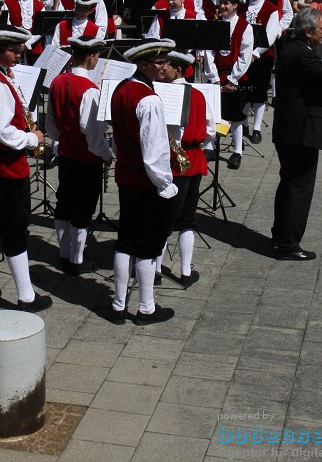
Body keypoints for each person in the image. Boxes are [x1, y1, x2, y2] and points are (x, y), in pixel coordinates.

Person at [0, 24, 52, 311]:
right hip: (4, 168)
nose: (19, 53)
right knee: (15, 229)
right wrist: (32, 137)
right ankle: (26, 295)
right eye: (13, 49)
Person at [101, 38, 179, 325]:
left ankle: (118, 304)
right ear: (143, 65)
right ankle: (146, 308)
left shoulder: (121, 88)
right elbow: (154, 151)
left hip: (126, 176)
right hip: (147, 182)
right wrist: (165, 184)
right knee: (147, 245)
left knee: (126, 240)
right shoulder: (148, 99)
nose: (166, 67)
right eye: (160, 63)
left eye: (166, 62)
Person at [272, 8, 322, 260]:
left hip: (289, 129)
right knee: (298, 188)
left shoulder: (293, 49)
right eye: (321, 30)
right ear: (308, 32)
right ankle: (288, 244)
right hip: (300, 132)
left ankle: (280, 235)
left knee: (289, 183)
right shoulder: (302, 55)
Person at [48, 36, 112, 275]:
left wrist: (60, 139)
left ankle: (64, 255)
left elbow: (51, 121)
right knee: (84, 209)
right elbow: (92, 132)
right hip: (86, 157)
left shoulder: (57, 81)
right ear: (93, 57)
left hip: (65, 151)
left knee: (64, 203)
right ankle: (77, 260)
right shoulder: (90, 90)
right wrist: (106, 154)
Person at [159, 49, 212, 287]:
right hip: (195, 159)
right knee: (188, 219)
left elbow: (172, 133)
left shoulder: (165, 94)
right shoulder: (199, 94)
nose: (162, 69)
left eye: (166, 66)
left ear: (178, 69)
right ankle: (185, 271)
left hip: (175, 161)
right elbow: (211, 129)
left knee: (165, 219)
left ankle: (156, 269)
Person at [204, 0, 254, 169]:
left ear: (235, 6)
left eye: (227, 3)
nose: (223, 6)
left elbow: (245, 55)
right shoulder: (214, 25)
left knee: (236, 114)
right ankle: (210, 146)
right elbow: (208, 53)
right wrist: (214, 78)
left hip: (235, 77)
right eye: (222, 2)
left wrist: (233, 79)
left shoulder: (244, 27)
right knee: (212, 113)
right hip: (217, 76)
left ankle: (237, 151)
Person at [243, 0, 282, 145]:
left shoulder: (270, 9)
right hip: (243, 55)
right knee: (243, 91)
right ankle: (243, 123)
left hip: (261, 57)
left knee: (259, 94)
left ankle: (256, 128)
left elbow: (270, 35)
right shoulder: (242, 6)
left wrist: (255, 53)